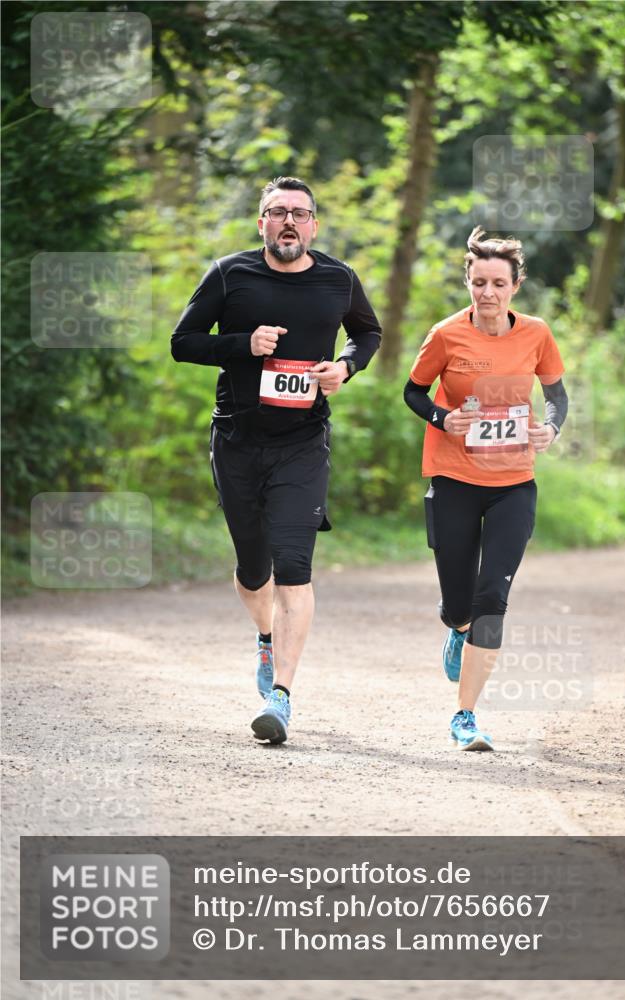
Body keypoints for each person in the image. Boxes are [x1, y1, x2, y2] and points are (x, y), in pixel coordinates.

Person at [171, 177, 381, 744]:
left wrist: (346, 366)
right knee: (252, 568)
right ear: (261, 222)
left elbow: (367, 331)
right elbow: (182, 342)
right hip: (238, 439)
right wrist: (242, 343)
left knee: (294, 566)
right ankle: (265, 638)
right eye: (277, 212)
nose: (289, 221)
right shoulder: (229, 274)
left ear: (314, 224)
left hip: (303, 443)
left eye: (300, 213)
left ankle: (281, 697)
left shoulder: (340, 278)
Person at [404, 226, 568, 751]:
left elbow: (557, 396)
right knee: (460, 605)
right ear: (468, 282)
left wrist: (551, 427)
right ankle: (455, 626)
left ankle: (465, 716)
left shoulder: (537, 334)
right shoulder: (447, 334)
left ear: (515, 285)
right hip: (454, 479)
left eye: (498, 283)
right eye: (479, 283)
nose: (488, 293)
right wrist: (441, 417)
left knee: (492, 597)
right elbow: (413, 391)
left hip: (514, 483)